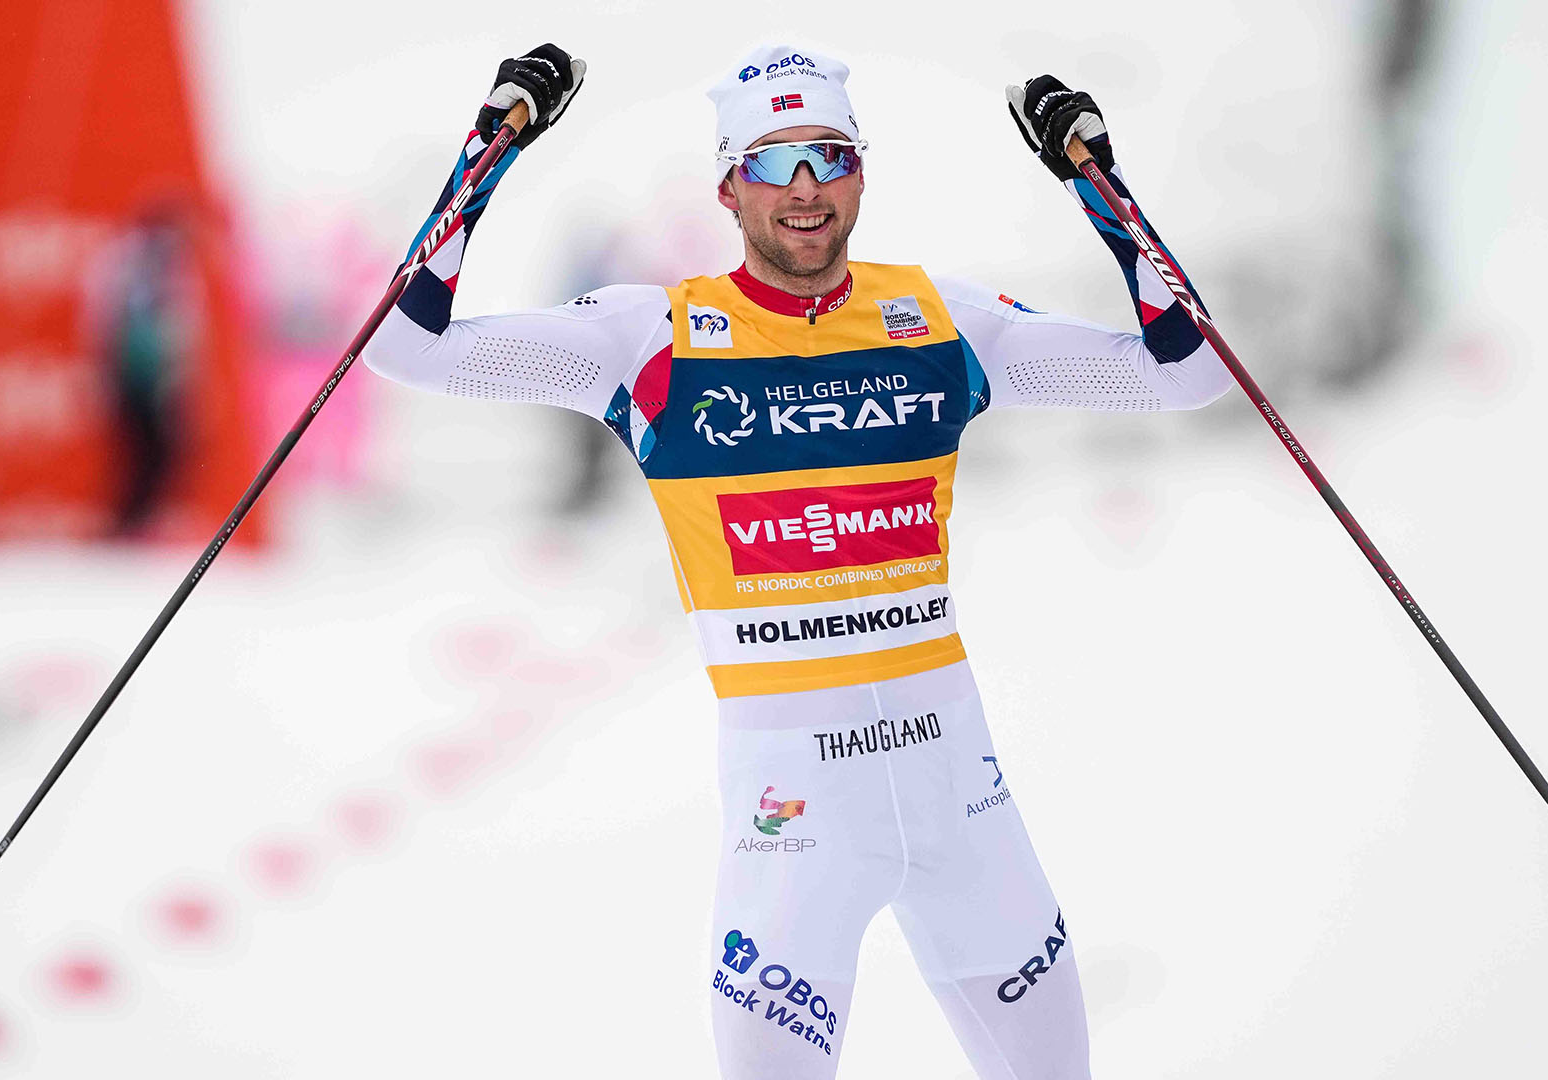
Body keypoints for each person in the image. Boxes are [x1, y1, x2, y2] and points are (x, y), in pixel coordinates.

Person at [362, 42, 1233, 1080]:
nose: (806, 187)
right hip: (794, 831)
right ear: (729, 187)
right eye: (774, 163)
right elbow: (405, 346)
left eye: (831, 156)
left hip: (962, 801)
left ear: (862, 173)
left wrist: (1098, 182)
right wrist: (491, 147)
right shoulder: (651, 340)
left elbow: (1187, 374)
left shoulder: (943, 321)